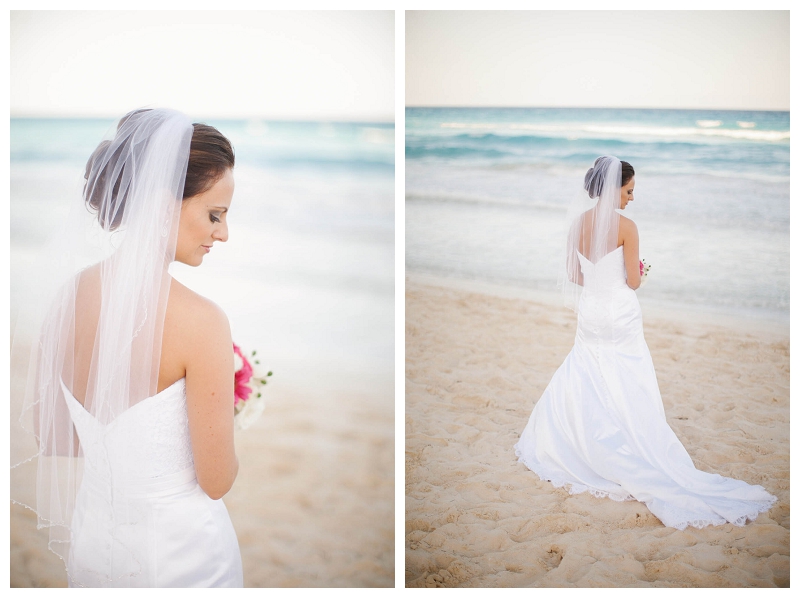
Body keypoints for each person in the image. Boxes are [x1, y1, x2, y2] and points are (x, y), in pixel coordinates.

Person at [11, 108, 243, 586]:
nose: (223, 233)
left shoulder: (69, 298)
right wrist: (228, 412)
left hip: (96, 543)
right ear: (162, 206)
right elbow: (217, 479)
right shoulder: (202, 322)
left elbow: (55, 438)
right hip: (182, 555)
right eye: (214, 214)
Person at [514, 156, 776, 530]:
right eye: (630, 190)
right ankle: (632, 437)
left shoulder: (577, 224)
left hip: (591, 311)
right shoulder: (627, 227)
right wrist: (637, 273)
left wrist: (601, 284)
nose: (632, 198)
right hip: (619, 312)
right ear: (614, 189)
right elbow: (634, 282)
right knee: (628, 373)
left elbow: (574, 274)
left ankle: (584, 440)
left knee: (588, 366)